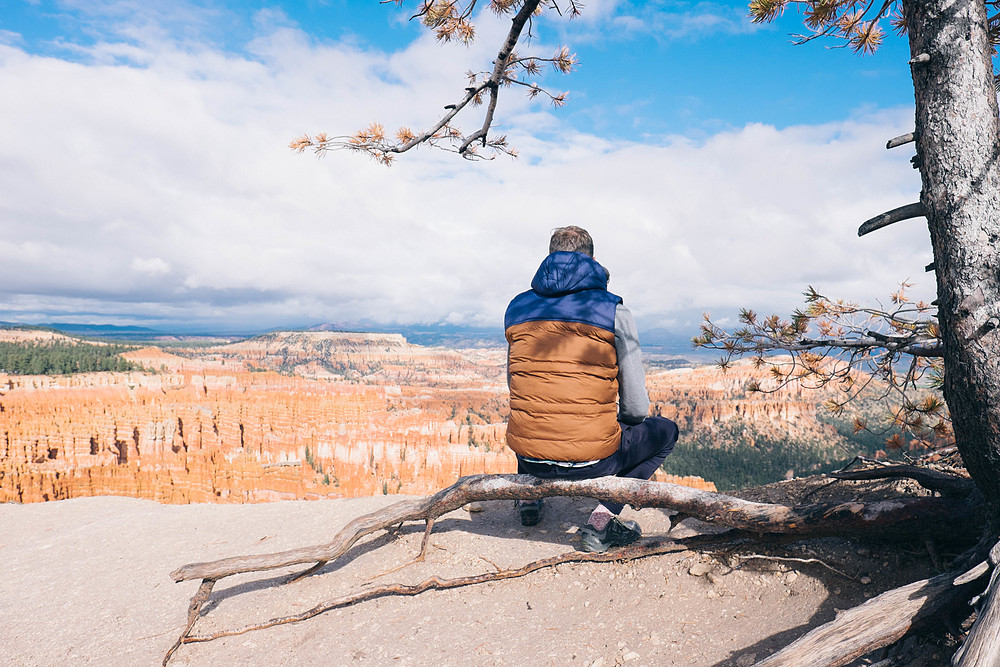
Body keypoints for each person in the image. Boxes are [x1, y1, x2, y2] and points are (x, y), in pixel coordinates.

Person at [504, 226, 679, 553]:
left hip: (529, 457)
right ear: (593, 260)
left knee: (535, 410)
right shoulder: (613, 310)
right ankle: (601, 524)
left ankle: (529, 500)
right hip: (594, 461)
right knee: (666, 432)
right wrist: (618, 423)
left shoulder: (516, 308)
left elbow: (516, 386)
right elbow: (637, 408)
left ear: (549, 258)